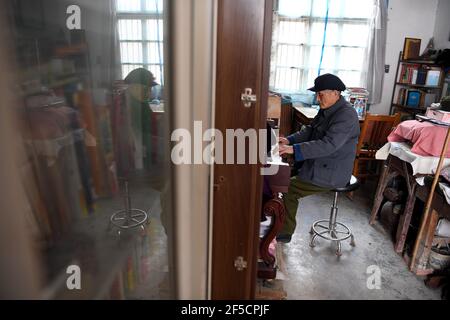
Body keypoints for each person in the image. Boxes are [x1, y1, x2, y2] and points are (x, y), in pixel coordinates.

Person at [276, 73, 360, 243]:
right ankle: (278, 224)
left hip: (333, 172)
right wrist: (289, 140)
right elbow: (309, 130)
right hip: (321, 165)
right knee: (281, 178)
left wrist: (292, 149)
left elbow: (328, 145)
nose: (317, 97)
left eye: (320, 94)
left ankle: (284, 232)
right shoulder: (327, 110)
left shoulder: (346, 115)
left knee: (288, 189)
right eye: (317, 94)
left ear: (335, 93)